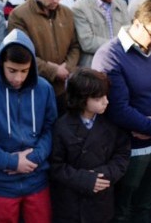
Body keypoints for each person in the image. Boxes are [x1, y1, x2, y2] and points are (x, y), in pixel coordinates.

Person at [91, 0, 151, 223]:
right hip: (127, 151)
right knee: (121, 211)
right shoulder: (110, 55)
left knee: (145, 207)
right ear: (137, 23)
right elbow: (118, 109)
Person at [0, 29, 57, 223]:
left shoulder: (44, 89)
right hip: (1, 182)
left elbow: (50, 129)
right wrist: (11, 162)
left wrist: (33, 158)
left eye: (24, 71)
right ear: (1, 64)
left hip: (37, 178)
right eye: (12, 70)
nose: (18, 78)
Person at [50, 68, 131, 223]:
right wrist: (84, 179)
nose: (106, 101)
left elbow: (122, 153)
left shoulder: (112, 123)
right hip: (71, 205)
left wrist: (105, 174)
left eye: (106, 95)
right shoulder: (62, 127)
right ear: (82, 99)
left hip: (101, 202)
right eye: (99, 98)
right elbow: (55, 166)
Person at [8, 0, 80, 114]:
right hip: (33, 89)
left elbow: (75, 46)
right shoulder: (19, 15)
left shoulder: (67, 13)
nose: (57, 0)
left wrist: (67, 67)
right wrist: (52, 70)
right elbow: (19, 54)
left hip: (63, 90)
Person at [72, 0, 131, 67]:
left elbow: (128, 34)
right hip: (94, 66)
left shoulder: (121, 4)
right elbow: (88, 43)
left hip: (120, 64)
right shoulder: (80, 7)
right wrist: (119, 45)